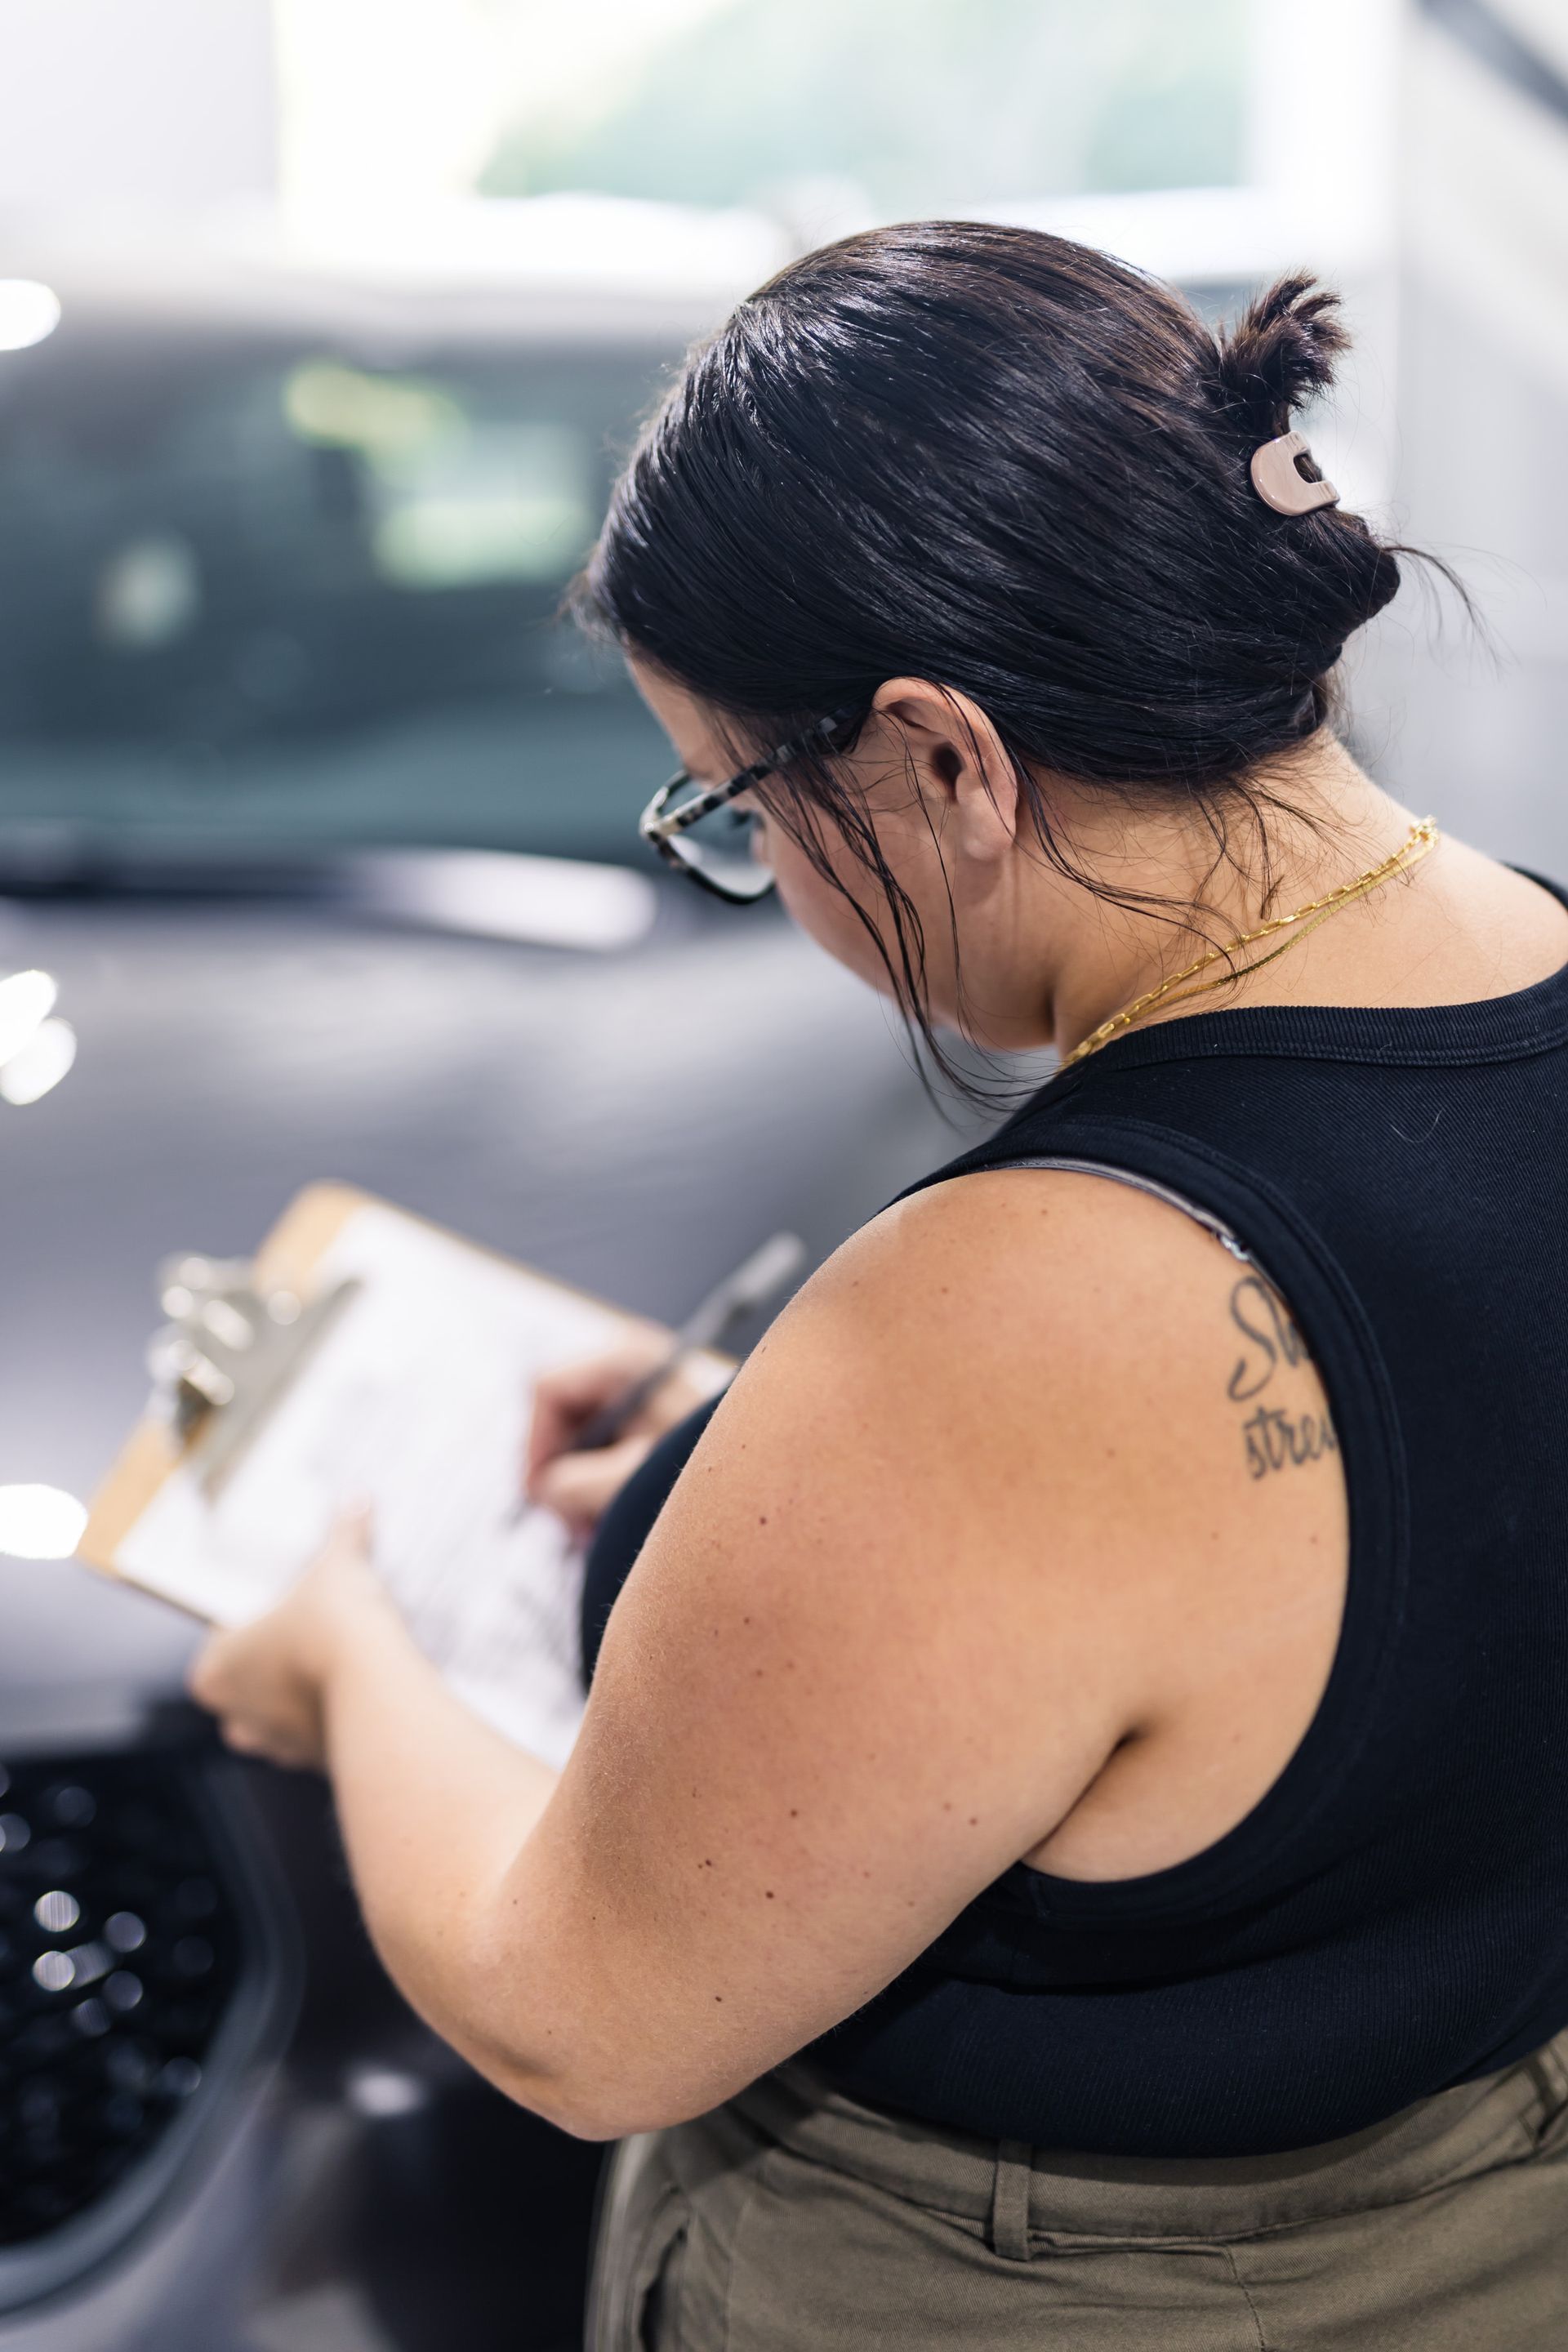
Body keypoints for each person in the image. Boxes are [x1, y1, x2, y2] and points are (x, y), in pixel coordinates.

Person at [189, 225, 1568, 2349]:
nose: (769, 878)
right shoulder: (1532, 961)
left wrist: (350, 1662)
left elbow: (584, 2020)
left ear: (941, 758)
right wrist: (759, 1465)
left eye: (737, 806)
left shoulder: (1028, 1306)